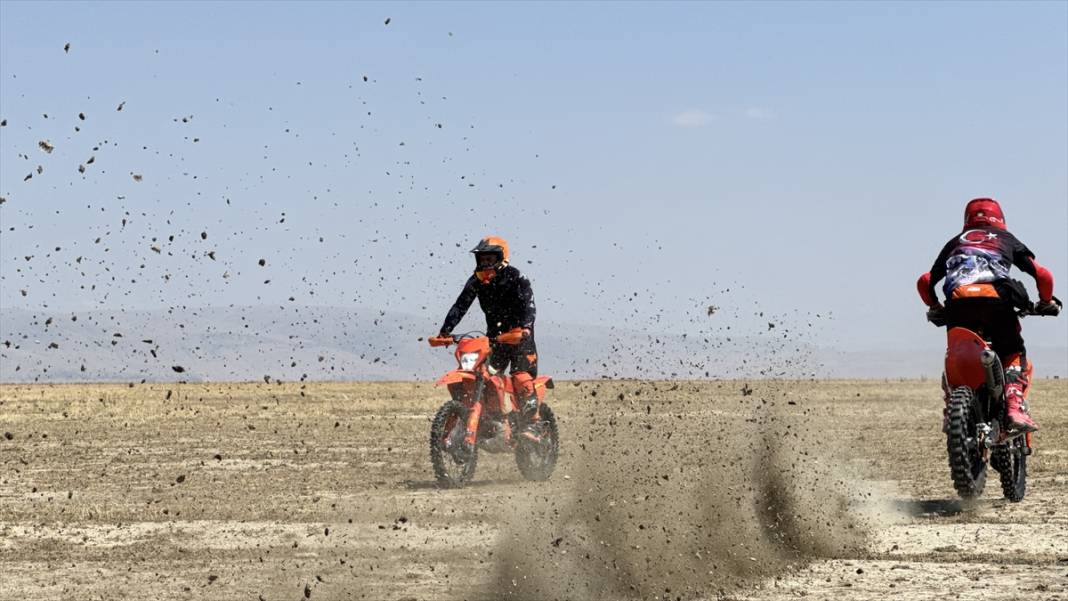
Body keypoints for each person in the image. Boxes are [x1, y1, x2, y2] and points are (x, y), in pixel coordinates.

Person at [917, 198, 1059, 433]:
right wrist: (1045, 302)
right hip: (996, 299)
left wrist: (935, 307)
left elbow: (925, 281)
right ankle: (1014, 406)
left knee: (958, 355)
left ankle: (952, 404)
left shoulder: (955, 242)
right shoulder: (1005, 238)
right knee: (1013, 351)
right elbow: (1043, 276)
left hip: (958, 303)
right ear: (1000, 218)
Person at [439, 236, 539, 426]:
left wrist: (526, 328)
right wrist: (445, 331)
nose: (485, 263)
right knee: (483, 376)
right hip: (494, 340)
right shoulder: (476, 281)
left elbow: (529, 306)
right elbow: (460, 306)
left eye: (489, 259)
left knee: (520, 377)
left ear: (501, 257)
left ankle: (532, 425)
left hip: (519, 339)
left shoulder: (516, 277)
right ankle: (492, 420)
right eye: (482, 259)